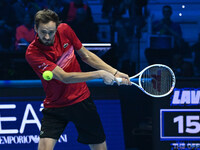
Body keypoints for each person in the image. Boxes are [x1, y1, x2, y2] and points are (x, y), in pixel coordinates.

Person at [25, 9, 131, 150]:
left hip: (81, 100)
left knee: (100, 147)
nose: (47, 36)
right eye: (43, 31)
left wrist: (114, 71)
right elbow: (64, 77)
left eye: (51, 32)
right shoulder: (33, 53)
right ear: (35, 28)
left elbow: (86, 55)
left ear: (57, 28)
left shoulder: (65, 30)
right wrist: (99, 74)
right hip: (55, 105)